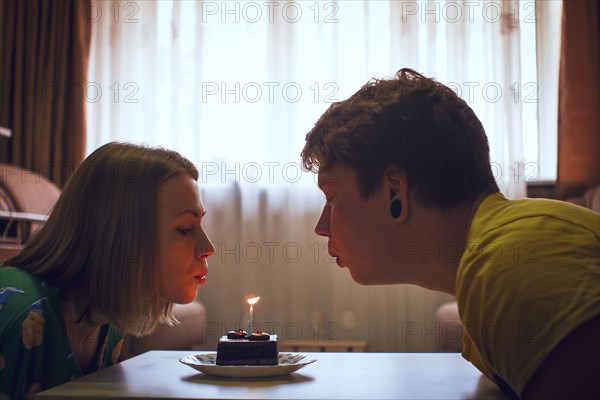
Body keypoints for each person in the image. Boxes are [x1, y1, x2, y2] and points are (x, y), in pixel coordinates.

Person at [301, 68, 600, 399]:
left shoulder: (507, 269)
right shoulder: (489, 266)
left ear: (394, 191)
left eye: (332, 198)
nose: (321, 227)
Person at [0, 142, 215, 399]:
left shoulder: (109, 320)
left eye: (200, 223)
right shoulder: (16, 315)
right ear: (121, 237)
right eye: (184, 229)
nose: (208, 247)